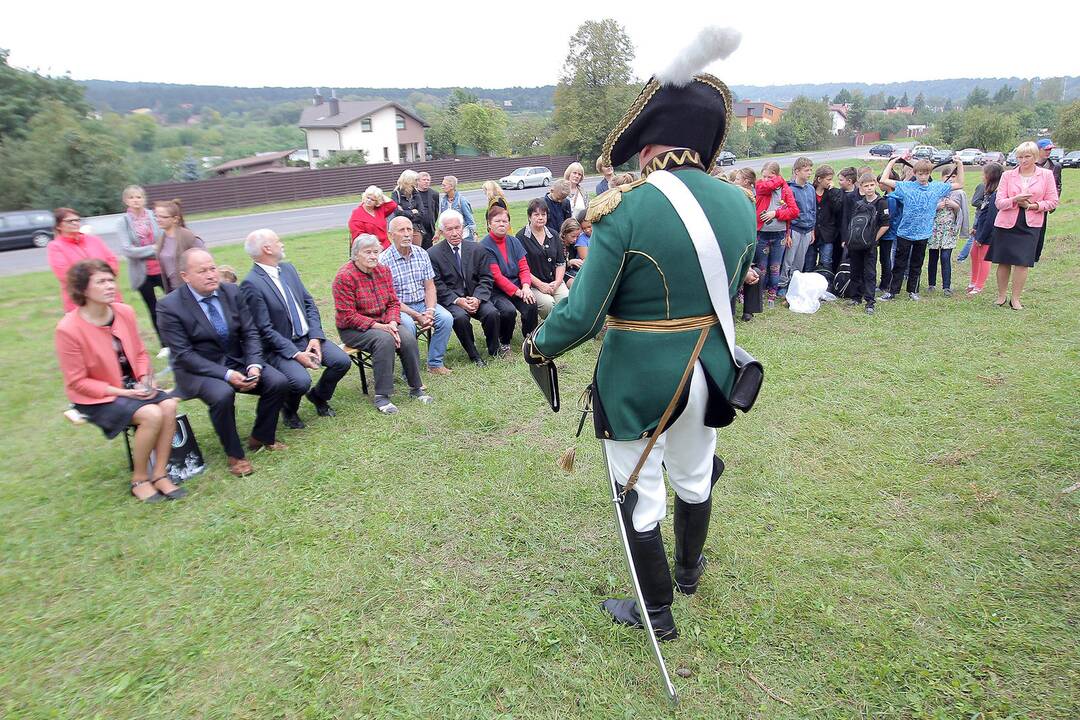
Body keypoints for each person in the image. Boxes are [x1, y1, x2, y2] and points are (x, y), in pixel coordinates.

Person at [524, 32, 757, 641]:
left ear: (650, 143)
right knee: (695, 474)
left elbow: (583, 314)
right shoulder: (739, 205)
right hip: (711, 369)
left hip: (639, 382)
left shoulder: (624, 207)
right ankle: (687, 572)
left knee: (638, 491)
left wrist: (539, 346)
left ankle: (655, 614)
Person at [55, 259, 185, 503]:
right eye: (101, 282)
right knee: (151, 415)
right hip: (99, 395)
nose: (110, 285)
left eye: (111, 280)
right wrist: (124, 393)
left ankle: (160, 473)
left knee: (168, 405)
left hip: (133, 387)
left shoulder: (124, 312)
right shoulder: (68, 329)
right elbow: (77, 382)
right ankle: (139, 479)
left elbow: (139, 352)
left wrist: (146, 378)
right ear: (83, 289)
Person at [157, 249, 288, 478]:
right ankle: (235, 455)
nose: (210, 275)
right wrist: (227, 375)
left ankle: (262, 436)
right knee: (222, 394)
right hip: (197, 370)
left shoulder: (231, 292)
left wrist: (254, 365)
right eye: (202, 271)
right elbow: (184, 354)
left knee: (278, 382)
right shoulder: (169, 306)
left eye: (212, 268)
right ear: (185, 276)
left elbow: (250, 333)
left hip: (236, 361)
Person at [240, 229, 351, 430]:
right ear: (267, 248)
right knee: (300, 381)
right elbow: (264, 329)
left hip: (307, 337)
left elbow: (309, 303)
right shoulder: (251, 283)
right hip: (281, 346)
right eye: (278, 241)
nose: (282, 244)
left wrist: (315, 337)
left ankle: (318, 397)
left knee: (342, 361)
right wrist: (296, 354)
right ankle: (289, 410)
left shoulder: (287, 269)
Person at [333, 234, 432, 414]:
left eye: (376, 252)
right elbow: (348, 315)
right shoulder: (344, 277)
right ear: (356, 255)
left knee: (408, 337)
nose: (373, 256)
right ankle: (382, 396)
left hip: (385, 321)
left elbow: (393, 302)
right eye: (367, 252)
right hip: (354, 328)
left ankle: (416, 388)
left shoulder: (383, 270)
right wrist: (381, 327)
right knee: (384, 340)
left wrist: (393, 322)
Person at [877, 155, 964, 301]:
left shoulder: (936, 187)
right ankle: (892, 292)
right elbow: (883, 180)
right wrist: (892, 162)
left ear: (930, 174)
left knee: (917, 264)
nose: (923, 177)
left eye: (926, 174)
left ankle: (913, 291)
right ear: (915, 173)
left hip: (923, 234)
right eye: (920, 174)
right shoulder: (906, 186)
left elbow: (960, 184)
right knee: (899, 264)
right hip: (905, 232)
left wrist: (960, 164)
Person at [987, 141, 1058, 310]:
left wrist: (1033, 206)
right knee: (1003, 261)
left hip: (1031, 223)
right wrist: (1015, 200)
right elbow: (999, 203)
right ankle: (1001, 296)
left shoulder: (1046, 175)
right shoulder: (1007, 176)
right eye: (1020, 157)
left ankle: (1016, 298)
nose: (1023, 160)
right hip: (1006, 223)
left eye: (1027, 156)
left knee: (1022, 262)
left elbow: (1053, 201)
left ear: (1035, 157)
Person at [428, 209, 504, 366]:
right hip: (453, 300)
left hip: (476, 296)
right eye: (449, 229)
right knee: (460, 318)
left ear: (463, 228)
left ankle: (494, 349)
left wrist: (477, 298)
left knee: (492, 313)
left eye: (458, 228)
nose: (455, 233)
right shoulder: (433, 254)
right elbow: (437, 284)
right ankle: (474, 354)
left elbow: (486, 277)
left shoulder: (477, 248)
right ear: (442, 232)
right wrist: (457, 300)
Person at [379, 216, 454, 375]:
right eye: (402, 230)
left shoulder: (422, 253)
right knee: (408, 326)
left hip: (422, 303)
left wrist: (430, 311)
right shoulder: (384, 261)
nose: (407, 234)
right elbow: (391, 300)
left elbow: (430, 287)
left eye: (409, 229)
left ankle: (435, 363)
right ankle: (410, 372)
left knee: (446, 318)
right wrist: (416, 315)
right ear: (391, 235)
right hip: (398, 308)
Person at [481, 205, 537, 354]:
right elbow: (497, 277)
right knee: (508, 311)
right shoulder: (484, 246)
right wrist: (518, 292)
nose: (501, 224)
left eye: (505, 221)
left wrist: (525, 287)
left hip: (518, 285)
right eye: (497, 221)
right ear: (489, 224)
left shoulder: (514, 241)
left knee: (531, 302)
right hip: (496, 290)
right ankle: (504, 342)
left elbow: (524, 267)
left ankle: (530, 337)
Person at [47, 208, 121, 312]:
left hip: (108, 296)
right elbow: (65, 274)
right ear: (59, 226)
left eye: (77, 220)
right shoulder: (55, 247)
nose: (75, 223)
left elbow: (112, 260)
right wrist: (94, 283)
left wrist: (105, 279)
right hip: (81, 300)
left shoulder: (94, 240)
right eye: (69, 221)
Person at [117, 186, 164, 340]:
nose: (135, 200)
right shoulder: (123, 221)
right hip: (142, 273)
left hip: (162, 268)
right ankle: (164, 344)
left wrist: (142, 250)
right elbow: (127, 250)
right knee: (153, 308)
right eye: (131, 197)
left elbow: (163, 241)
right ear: (126, 201)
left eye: (138, 197)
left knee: (177, 303)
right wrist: (153, 248)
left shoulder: (154, 216)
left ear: (144, 199)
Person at [844, 173, 891, 315]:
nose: (869, 188)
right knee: (855, 270)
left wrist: (873, 239)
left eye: (872, 185)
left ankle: (870, 301)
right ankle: (855, 297)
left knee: (869, 273)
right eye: (866, 186)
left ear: (876, 185)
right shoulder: (859, 204)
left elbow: (885, 224)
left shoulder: (881, 202)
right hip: (856, 244)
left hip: (870, 245)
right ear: (861, 188)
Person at [754, 161, 799, 306]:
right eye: (764, 176)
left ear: (777, 174)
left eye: (770, 176)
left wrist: (776, 213)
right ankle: (759, 293)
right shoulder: (761, 186)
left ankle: (772, 294)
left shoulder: (785, 190)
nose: (766, 179)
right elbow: (766, 186)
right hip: (762, 233)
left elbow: (794, 211)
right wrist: (777, 180)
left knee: (775, 267)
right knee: (761, 266)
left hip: (779, 234)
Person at [516, 198, 569, 318]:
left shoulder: (554, 234)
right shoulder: (521, 237)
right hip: (534, 285)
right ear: (529, 217)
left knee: (566, 300)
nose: (540, 217)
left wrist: (557, 282)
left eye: (543, 214)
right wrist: (540, 285)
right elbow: (522, 268)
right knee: (548, 304)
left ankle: (566, 330)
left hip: (555, 281)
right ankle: (551, 329)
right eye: (536, 214)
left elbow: (561, 263)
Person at [926, 165, 969, 296]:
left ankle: (946, 286)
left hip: (949, 230)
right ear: (942, 177)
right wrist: (936, 206)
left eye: (954, 177)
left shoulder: (959, 193)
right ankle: (931, 284)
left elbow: (962, 212)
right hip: (934, 230)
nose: (950, 179)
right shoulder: (935, 191)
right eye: (947, 177)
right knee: (933, 257)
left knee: (945, 257)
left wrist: (955, 206)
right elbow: (926, 209)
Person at [779, 157, 816, 293]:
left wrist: (812, 229)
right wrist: (787, 233)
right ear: (797, 171)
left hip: (807, 230)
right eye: (806, 170)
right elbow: (786, 212)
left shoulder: (811, 189)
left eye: (810, 170)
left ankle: (795, 285)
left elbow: (813, 210)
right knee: (789, 259)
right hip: (794, 229)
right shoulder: (790, 189)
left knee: (800, 260)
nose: (809, 173)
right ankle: (783, 284)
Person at [154, 199, 204, 294]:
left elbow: (205, 259)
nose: (158, 219)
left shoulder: (188, 237)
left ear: (175, 219)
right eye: (156, 216)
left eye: (163, 217)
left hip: (192, 288)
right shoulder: (161, 239)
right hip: (174, 290)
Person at [968, 162, 1002, 295]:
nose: (982, 176)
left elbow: (991, 218)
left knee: (983, 258)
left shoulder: (995, 195)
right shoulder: (987, 192)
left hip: (988, 233)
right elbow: (982, 213)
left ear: (991, 176)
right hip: (980, 229)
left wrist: (982, 237)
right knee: (973, 253)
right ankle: (973, 282)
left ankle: (979, 286)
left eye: (984, 174)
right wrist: (976, 227)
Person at [1034, 138, 1062, 264]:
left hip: (1044, 204)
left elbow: (1058, 185)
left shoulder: (1055, 166)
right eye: (1046, 149)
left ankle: (1035, 256)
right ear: (1038, 150)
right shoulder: (1030, 165)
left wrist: (1054, 202)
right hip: (1030, 202)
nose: (1049, 152)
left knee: (1041, 230)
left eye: (1050, 149)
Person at [810, 165, 841, 274]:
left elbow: (837, 208)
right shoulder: (810, 191)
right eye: (828, 179)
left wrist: (832, 191)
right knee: (809, 261)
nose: (830, 182)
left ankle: (826, 285)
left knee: (826, 261)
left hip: (827, 234)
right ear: (819, 179)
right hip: (812, 233)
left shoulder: (834, 192)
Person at [347, 186, 398, 251]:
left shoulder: (379, 209)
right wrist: (375, 247)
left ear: (377, 202)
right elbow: (358, 237)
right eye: (367, 198)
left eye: (372, 199)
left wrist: (380, 195)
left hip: (386, 247)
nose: (369, 201)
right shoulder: (357, 214)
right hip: (370, 249)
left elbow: (392, 205)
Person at [391, 170, 432, 249]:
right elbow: (397, 212)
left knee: (416, 252)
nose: (417, 182)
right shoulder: (396, 194)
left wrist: (404, 212)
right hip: (401, 229)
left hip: (416, 229)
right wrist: (412, 212)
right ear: (408, 180)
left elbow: (421, 213)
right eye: (415, 180)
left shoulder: (416, 193)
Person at [439, 176, 476, 241]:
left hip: (465, 236)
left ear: (452, 187)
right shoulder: (443, 201)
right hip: (451, 237)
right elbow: (442, 219)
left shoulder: (461, 200)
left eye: (444, 185)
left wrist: (471, 234)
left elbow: (470, 221)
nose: (442, 187)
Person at [561, 217, 589, 289]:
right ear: (564, 233)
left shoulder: (574, 245)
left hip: (574, 272)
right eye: (573, 236)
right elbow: (554, 265)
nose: (575, 239)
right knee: (578, 287)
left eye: (577, 236)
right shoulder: (558, 245)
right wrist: (569, 262)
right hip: (562, 275)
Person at [415, 171, 440, 247]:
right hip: (417, 228)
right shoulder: (414, 193)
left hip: (429, 229)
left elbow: (436, 211)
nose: (426, 182)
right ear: (418, 181)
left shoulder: (434, 194)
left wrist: (432, 222)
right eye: (424, 180)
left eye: (428, 180)